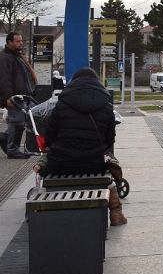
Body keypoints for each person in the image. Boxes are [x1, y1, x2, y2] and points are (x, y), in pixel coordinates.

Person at [42, 67, 127, 226]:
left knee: (45, 168)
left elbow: (49, 137)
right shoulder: (107, 107)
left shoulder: (61, 105)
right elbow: (109, 141)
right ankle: (116, 211)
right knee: (109, 174)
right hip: (94, 163)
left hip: (61, 164)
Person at [0, 32, 36, 159]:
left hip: (23, 95)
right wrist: (9, 97)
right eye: (17, 41)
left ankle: (4, 138)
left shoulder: (17, 56)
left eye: (21, 41)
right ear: (9, 42)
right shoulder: (5, 57)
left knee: (21, 122)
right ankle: (12, 149)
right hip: (15, 97)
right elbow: (4, 79)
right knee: (17, 122)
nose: (21, 43)